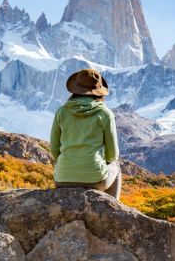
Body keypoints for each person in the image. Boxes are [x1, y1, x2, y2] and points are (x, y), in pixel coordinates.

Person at [50, 68, 121, 199]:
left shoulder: (62, 111)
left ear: (75, 89)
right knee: (115, 165)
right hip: (95, 179)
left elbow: (54, 150)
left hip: (62, 179)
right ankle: (112, 207)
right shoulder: (105, 114)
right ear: (99, 92)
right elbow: (112, 155)